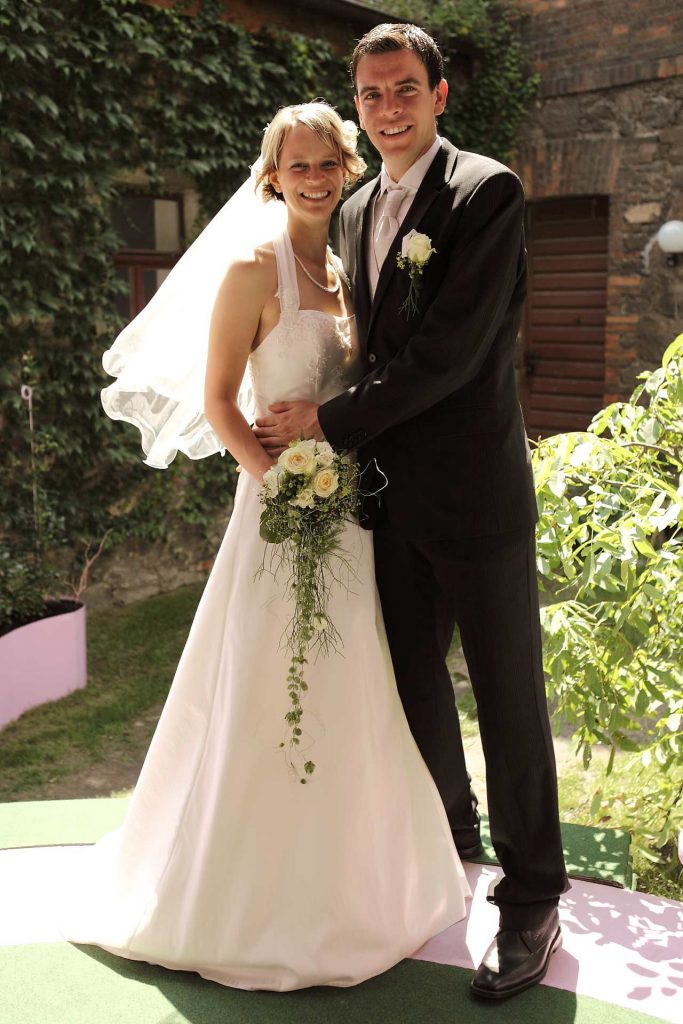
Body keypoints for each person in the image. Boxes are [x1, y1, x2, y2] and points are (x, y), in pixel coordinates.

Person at [57, 101, 470, 991]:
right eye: (298, 165)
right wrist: (275, 482)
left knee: (357, 686)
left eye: (329, 162)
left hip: (350, 516)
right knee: (260, 687)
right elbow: (217, 399)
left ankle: (362, 892)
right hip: (280, 513)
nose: (315, 178)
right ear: (271, 175)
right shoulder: (252, 266)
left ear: (347, 169)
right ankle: (233, 899)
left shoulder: (354, 264)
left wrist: (337, 478)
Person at [254, 25, 570, 1000]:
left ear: (437, 96)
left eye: (402, 90)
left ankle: (529, 902)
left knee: (506, 699)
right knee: (410, 689)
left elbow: (452, 356)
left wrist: (326, 420)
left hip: (475, 502)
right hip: (384, 507)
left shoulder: (484, 194)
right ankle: (450, 851)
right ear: (358, 105)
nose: (386, 108)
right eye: (370, 94)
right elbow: (364, 343)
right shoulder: (351, 210)